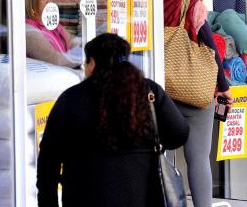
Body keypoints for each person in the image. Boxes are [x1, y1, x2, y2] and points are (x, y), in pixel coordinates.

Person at [36, 33, 190, 207]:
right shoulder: (149, 93)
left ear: (92, 63)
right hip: (141, 194)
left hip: (83, 197)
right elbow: (179, 134)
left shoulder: (70, 98)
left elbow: (48, 163)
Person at [163, 0, 234, 207]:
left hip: (161, 95)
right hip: (194, 92)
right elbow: (212, 50)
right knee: (199, 159)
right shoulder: (191, 6)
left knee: (157, 158)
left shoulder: (145, 4)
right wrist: (223, 87)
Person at [25, 0, 81, 67]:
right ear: (31, 3)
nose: (49, 1)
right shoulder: (29, 31)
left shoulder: (50, 23)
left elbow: (71, 41)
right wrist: (83, 55)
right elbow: (55, 60)